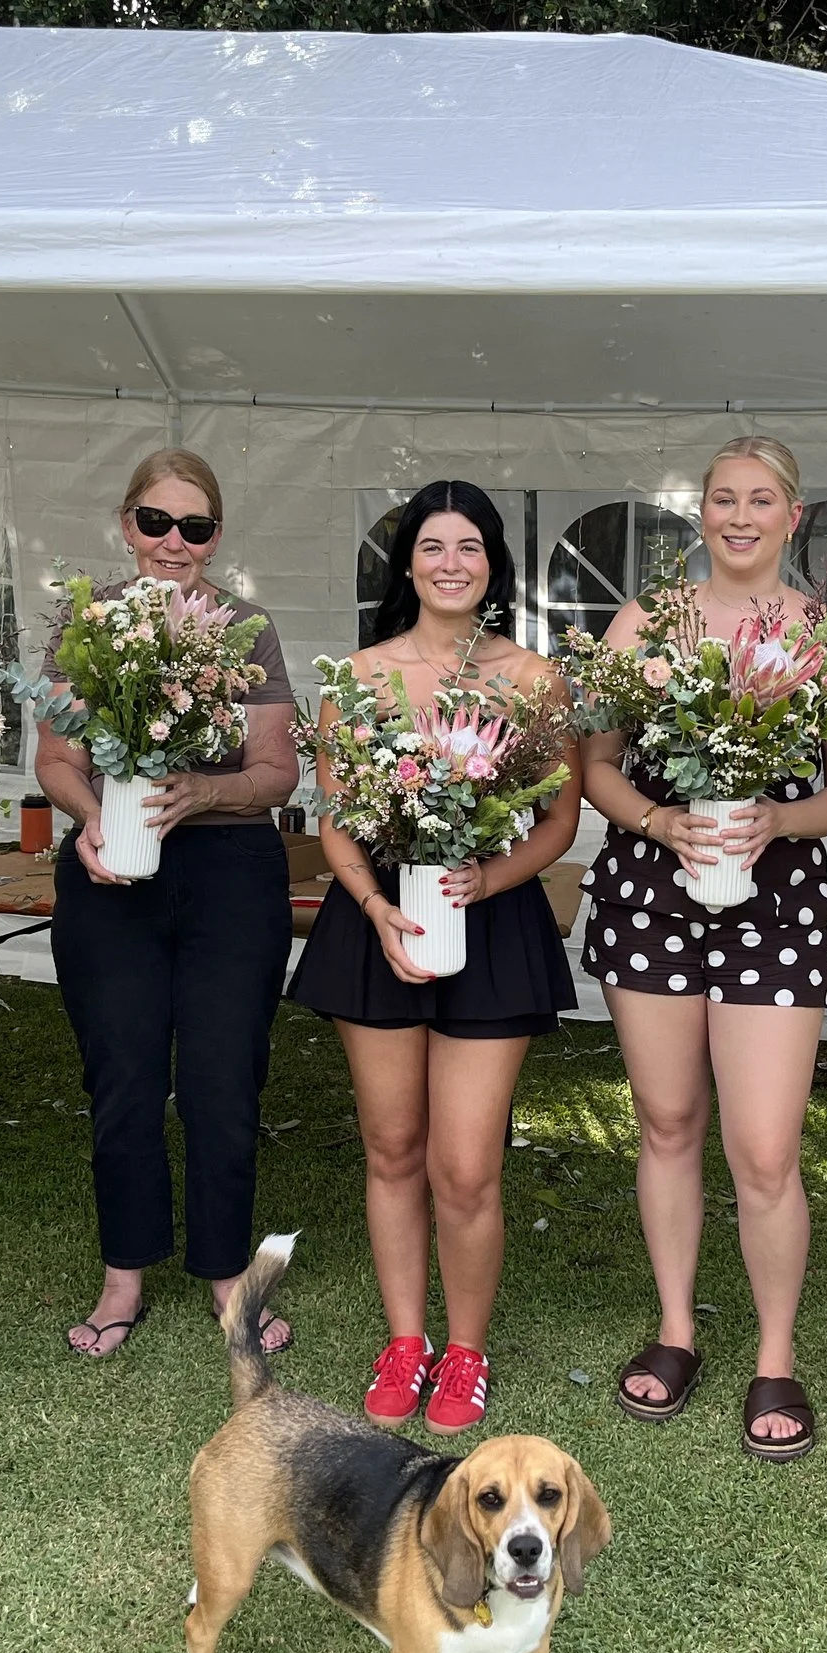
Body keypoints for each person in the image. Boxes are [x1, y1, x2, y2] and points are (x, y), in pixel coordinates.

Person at [583, 437, 827, 1463]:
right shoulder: (643, 623)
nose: (739, 516)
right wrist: (659, 825)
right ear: (700, 514)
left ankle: (774, 1354)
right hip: (649, 897)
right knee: (665, 1122)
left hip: (774, 902)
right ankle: (674, 1330)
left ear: (792, 516)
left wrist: (778, 825)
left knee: (763, 1149)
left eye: (760, 501)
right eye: (722, 499)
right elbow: (598, 769)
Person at [289, 480, 580, 1436]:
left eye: (470, 547)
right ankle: (405, 1338)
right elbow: (337, 821)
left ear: (492, 564)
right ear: (406, 561)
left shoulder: (532, 679)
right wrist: (375, 906)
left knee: (465, 1167)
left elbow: (559, 821)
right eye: (432, 545)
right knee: (392, 1147)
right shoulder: (359, 675)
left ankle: (465, 1351)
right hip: (378, 926)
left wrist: (486, 885)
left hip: (489, 926)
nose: (450, 562)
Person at [39, 449, 300, 1359]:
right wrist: (90, 821)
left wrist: (200, 790)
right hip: (112, 870)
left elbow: (276, 771)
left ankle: (232, 1278)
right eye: (156, 521)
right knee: (122, 1080)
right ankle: (123, 1277)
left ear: (215, 537)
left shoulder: (246, 627)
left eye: (194, 527)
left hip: (230, 870)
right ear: (127, 523)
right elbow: (56, 757)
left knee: (225, 1081)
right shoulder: (84, 623)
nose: (172, 542)